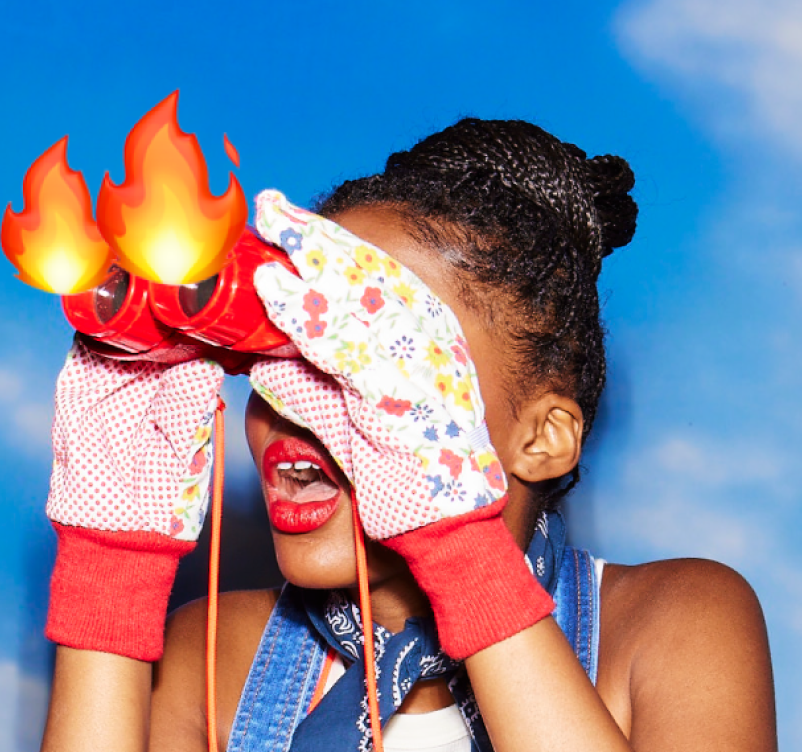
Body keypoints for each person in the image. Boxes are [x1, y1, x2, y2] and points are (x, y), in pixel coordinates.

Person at [39, 119, 777, 752]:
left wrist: (461, 554)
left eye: (370, 361)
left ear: (542, 437)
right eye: (284, 358)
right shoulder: (213, 651)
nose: (299, 405)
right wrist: (111, 569)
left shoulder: (675, 622)